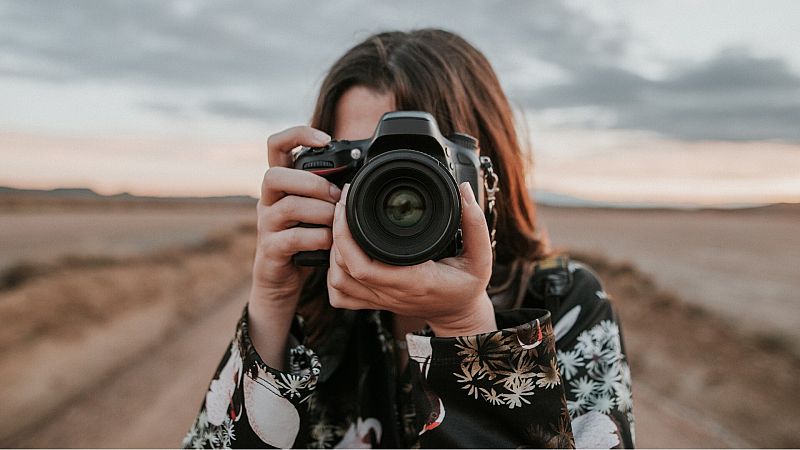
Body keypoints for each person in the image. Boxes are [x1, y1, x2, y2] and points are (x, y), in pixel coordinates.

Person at [183, 29, 634, 449]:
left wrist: (465, 324)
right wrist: (274, 298)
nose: (393, 195)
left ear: (489, 177)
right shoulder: (310, 313)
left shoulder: (564, 301)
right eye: (366, 165)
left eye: (428, 165)